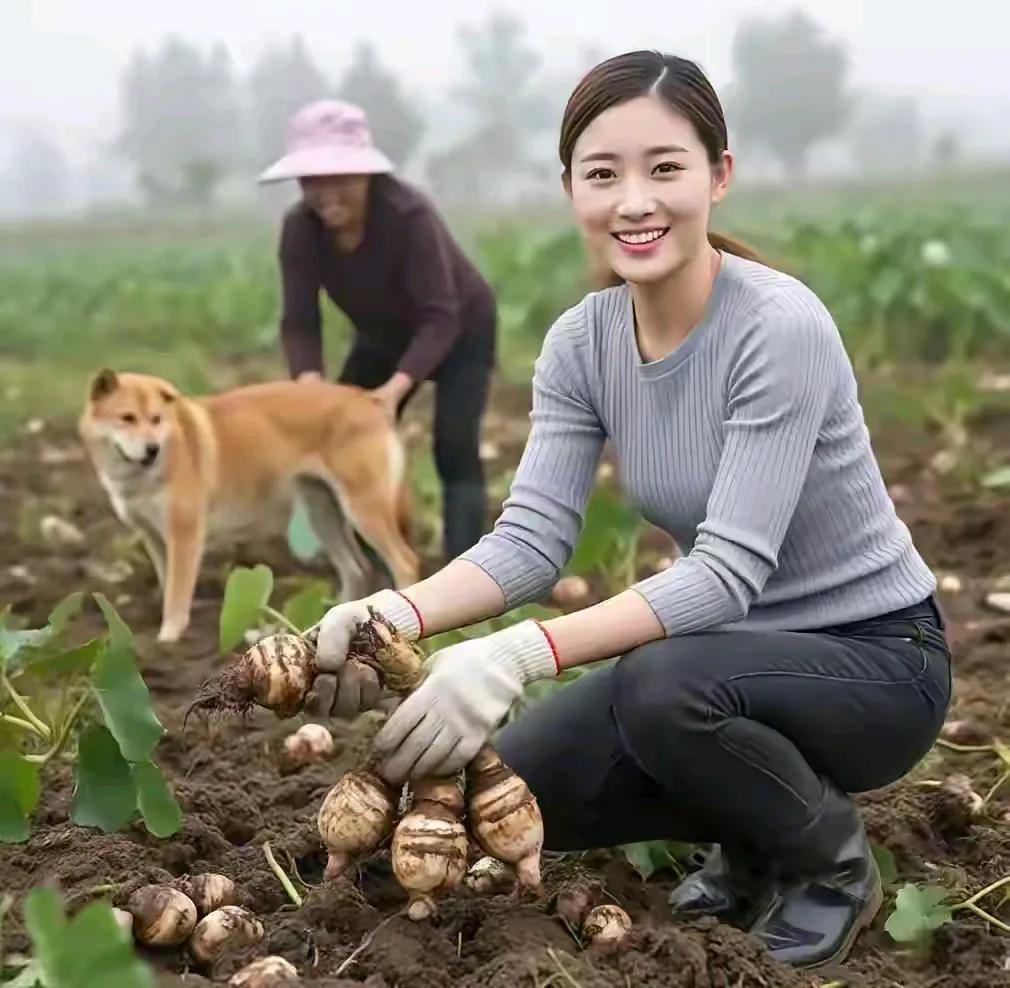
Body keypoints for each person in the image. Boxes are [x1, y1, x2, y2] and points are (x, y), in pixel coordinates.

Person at [304, 51, 952, 969]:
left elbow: (728, 573)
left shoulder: (779, 325)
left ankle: (825, 865)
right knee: (518, 790)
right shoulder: (582, 343)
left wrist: (516, 652)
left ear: (718, 177)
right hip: (724, 663)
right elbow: (530, 543)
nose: (634, 201)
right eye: (602, 174)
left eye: (665, 169)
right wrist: (388, 614)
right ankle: (752, 833)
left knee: (662, 689)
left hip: (875, 662)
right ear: (570, 187)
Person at [258, 99, 498, 563]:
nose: (327, 194)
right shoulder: (300, 230)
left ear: (366, 174)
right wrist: (308, 383)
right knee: (340, 437)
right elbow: (300, 318)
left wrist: (393, 392)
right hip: (381, 335)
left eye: (340, 179)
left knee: (454, 443)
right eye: (313, 181)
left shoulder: (408, 216)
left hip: (460, 328)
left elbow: (440, 315)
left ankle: (468, 568)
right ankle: (371, 560)